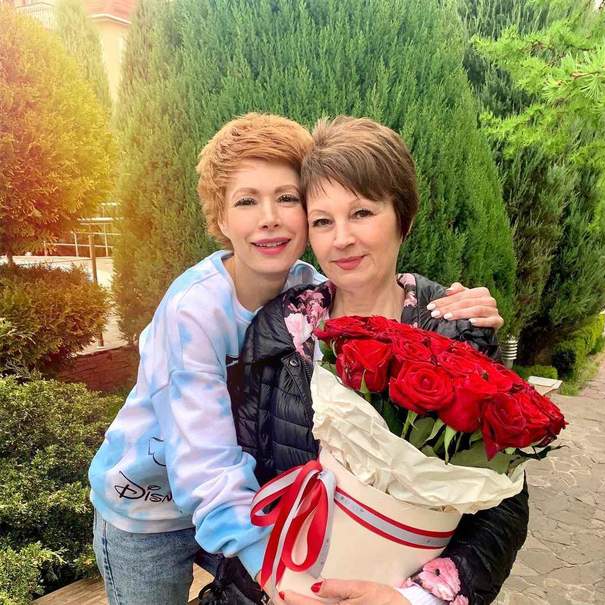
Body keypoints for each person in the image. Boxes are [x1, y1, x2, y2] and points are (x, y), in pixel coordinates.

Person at [88, 113, 505, 605]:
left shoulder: (307, 296)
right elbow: (209, 468)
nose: (269, 217)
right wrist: (281, 580)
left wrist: (457, 311)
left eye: (287, 198)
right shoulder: (200, 313)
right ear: (220, 220)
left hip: (239, 506)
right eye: (246, 201)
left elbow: (371, 285)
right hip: (150, 510)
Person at [231, 117, 528, 605]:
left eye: (362, 213)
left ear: (402, 217)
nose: (341, 239)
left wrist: (420, 599)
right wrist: (265, 578)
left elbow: (503, 501)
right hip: (277, 587)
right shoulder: (281, 328)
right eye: (323, 221)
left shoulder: (454, 331)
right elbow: (240, 467)